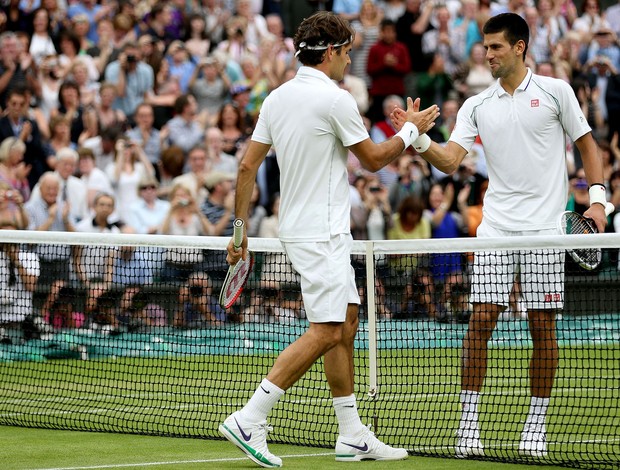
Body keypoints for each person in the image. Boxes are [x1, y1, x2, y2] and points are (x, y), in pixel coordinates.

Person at [220, 11, 439, 467]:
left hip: (309, 230)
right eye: (348, 52)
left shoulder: (276, 99)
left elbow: (246, 168)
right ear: (334, 52)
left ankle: (351, 433)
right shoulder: (335, 99)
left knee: (349, 317)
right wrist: (412, 130)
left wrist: (239, 233)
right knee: (327, 329)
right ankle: (250, 417)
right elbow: (376, 159)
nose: (349, 61)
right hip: (320, 233)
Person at [391, 12, 608, 459]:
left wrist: (598, 200)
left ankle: (535, 427)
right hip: (496, 228)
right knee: (482, 320)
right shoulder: (476, 104)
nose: (487, 54)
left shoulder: (556, 92)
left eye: (495, 47)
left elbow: (587, 144)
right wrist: (416, 139)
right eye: (485, 47)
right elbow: (451, 160)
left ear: (520, 47)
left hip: (546, 230)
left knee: (541, 325)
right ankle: (468, 425)